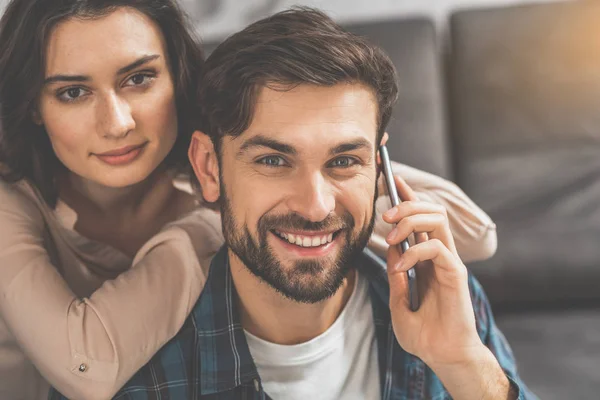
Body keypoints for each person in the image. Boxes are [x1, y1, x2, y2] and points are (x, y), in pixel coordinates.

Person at [0, 1, 497, 399]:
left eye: (139, 79)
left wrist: (353, 171)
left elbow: (480, 236)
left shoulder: (440, 300)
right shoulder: (13, 204)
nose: (118, 123)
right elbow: (85, 370)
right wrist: (209, 224)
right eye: (71, 92)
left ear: (177, 77)